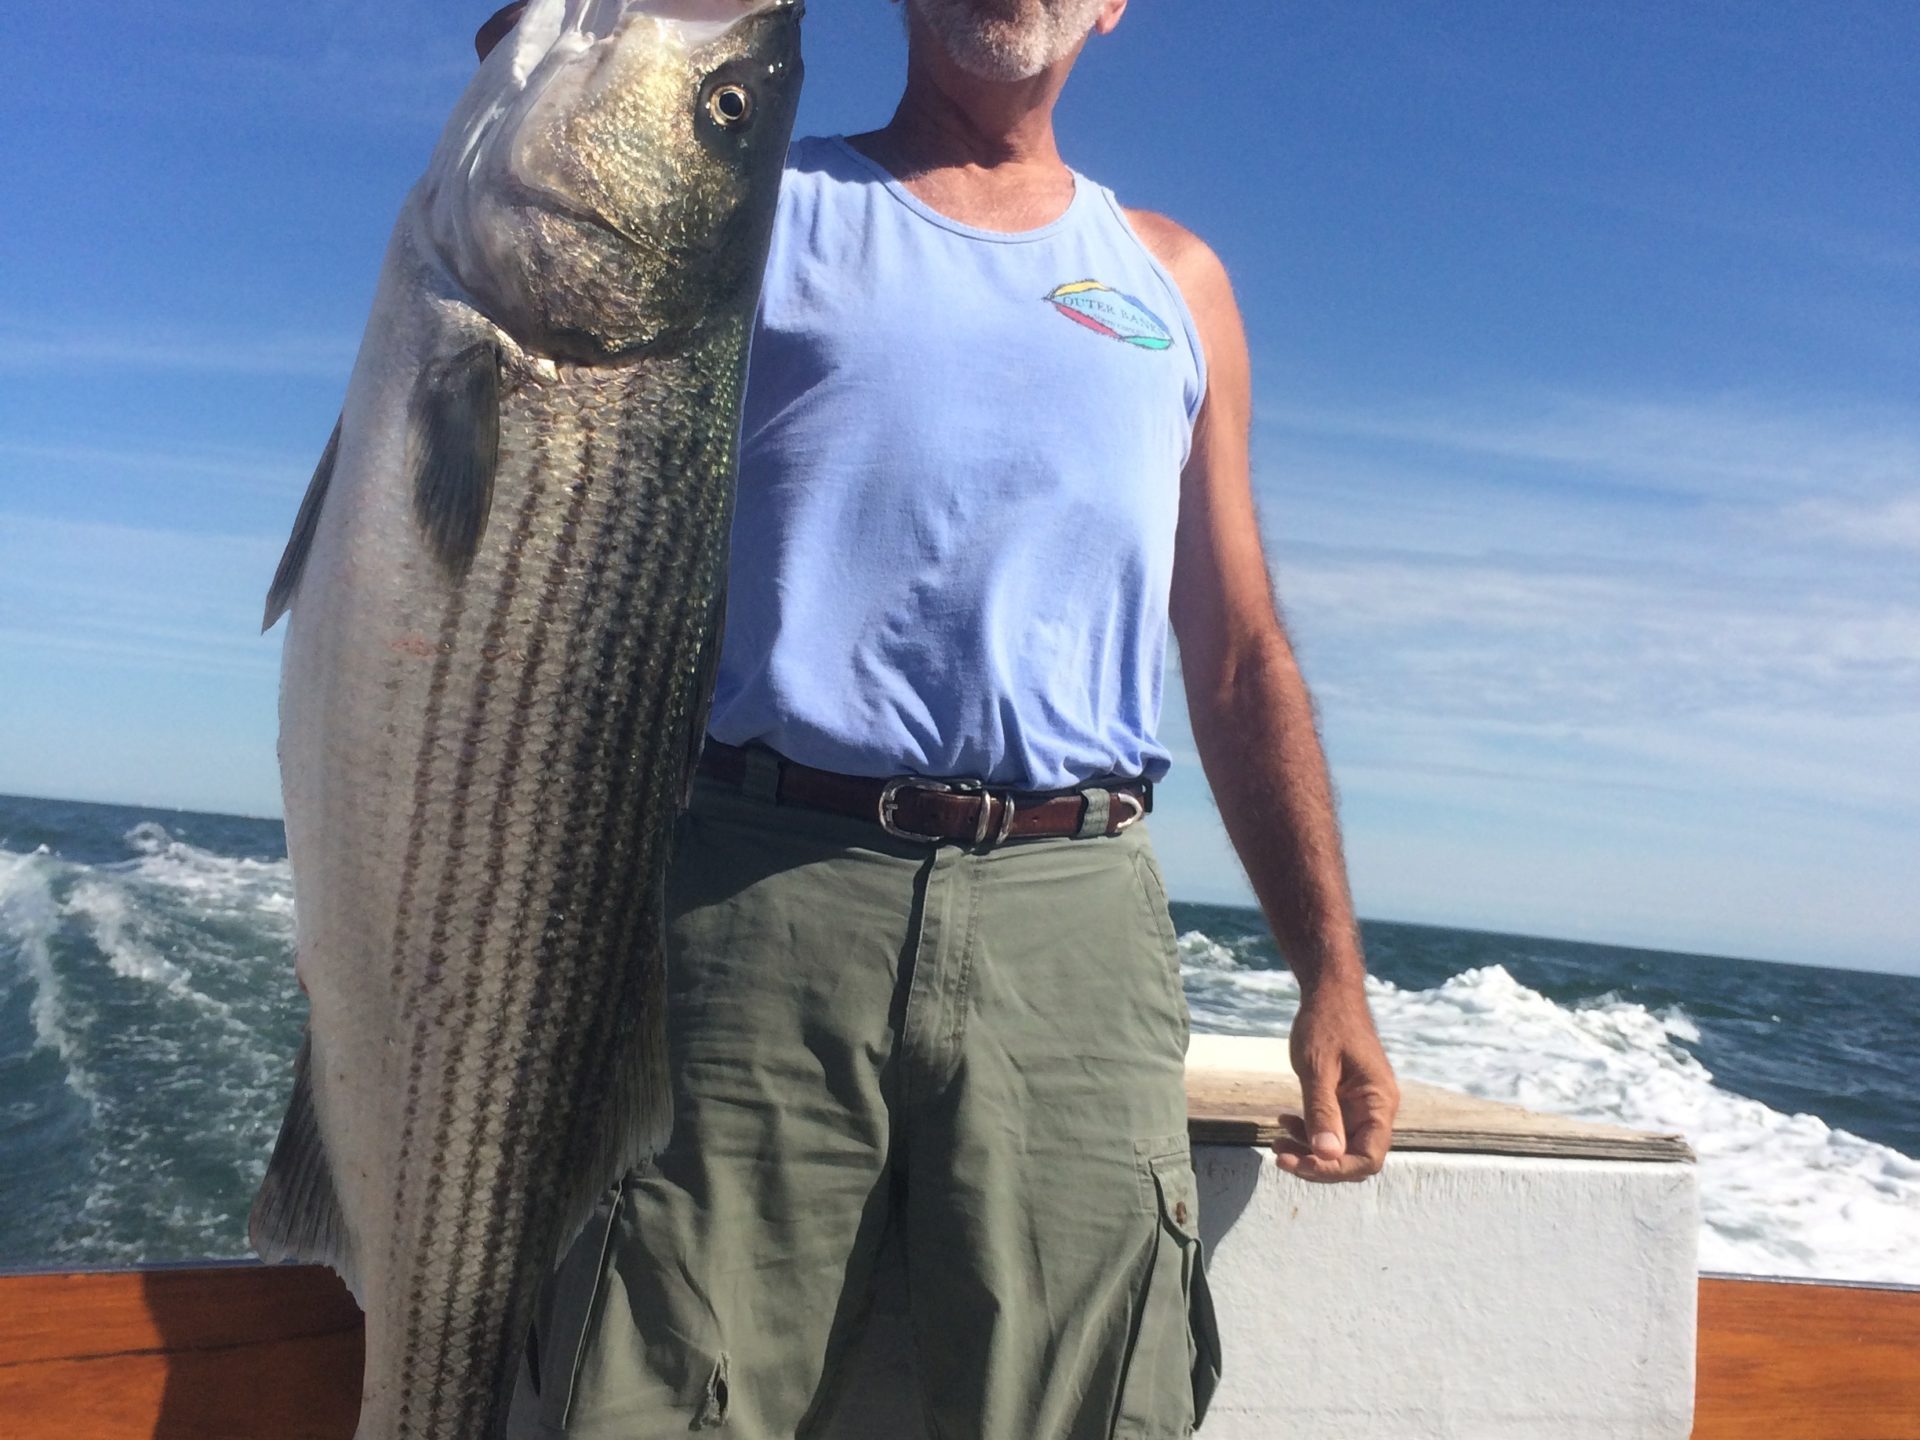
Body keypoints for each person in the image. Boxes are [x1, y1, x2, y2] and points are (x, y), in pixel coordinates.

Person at [480, 3, 1402, 1436]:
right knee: (650, 1394)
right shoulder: (746, 203)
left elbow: (1235, 656)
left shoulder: (1173, 278)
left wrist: (1330, 974)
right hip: (751, 897)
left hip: (1074, 925)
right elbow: (546, 86)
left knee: (1094, 1404)